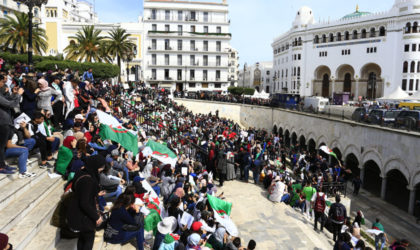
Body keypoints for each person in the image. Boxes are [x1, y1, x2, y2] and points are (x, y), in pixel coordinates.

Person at [66, 155, 106, 250]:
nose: (101, 170)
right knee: (88, 239)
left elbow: (77, 189)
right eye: (101, 167)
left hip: (76, 211)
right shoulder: (88, 181)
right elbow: (84, 203)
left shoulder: (81, 172)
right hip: (82, 216)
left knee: (82, 237)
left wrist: (95, 194)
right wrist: (96, 217)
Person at [0, 74, 23, 175]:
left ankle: (3, 164)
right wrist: (18, 95)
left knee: (2, 145)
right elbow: (11, 104)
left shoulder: (2, 92)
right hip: (2, 122)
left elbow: (9, 100)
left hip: (6, 121)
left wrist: (13, 94)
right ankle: (1, 167)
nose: (3, 84)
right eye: (2, 82)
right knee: (0, 146)